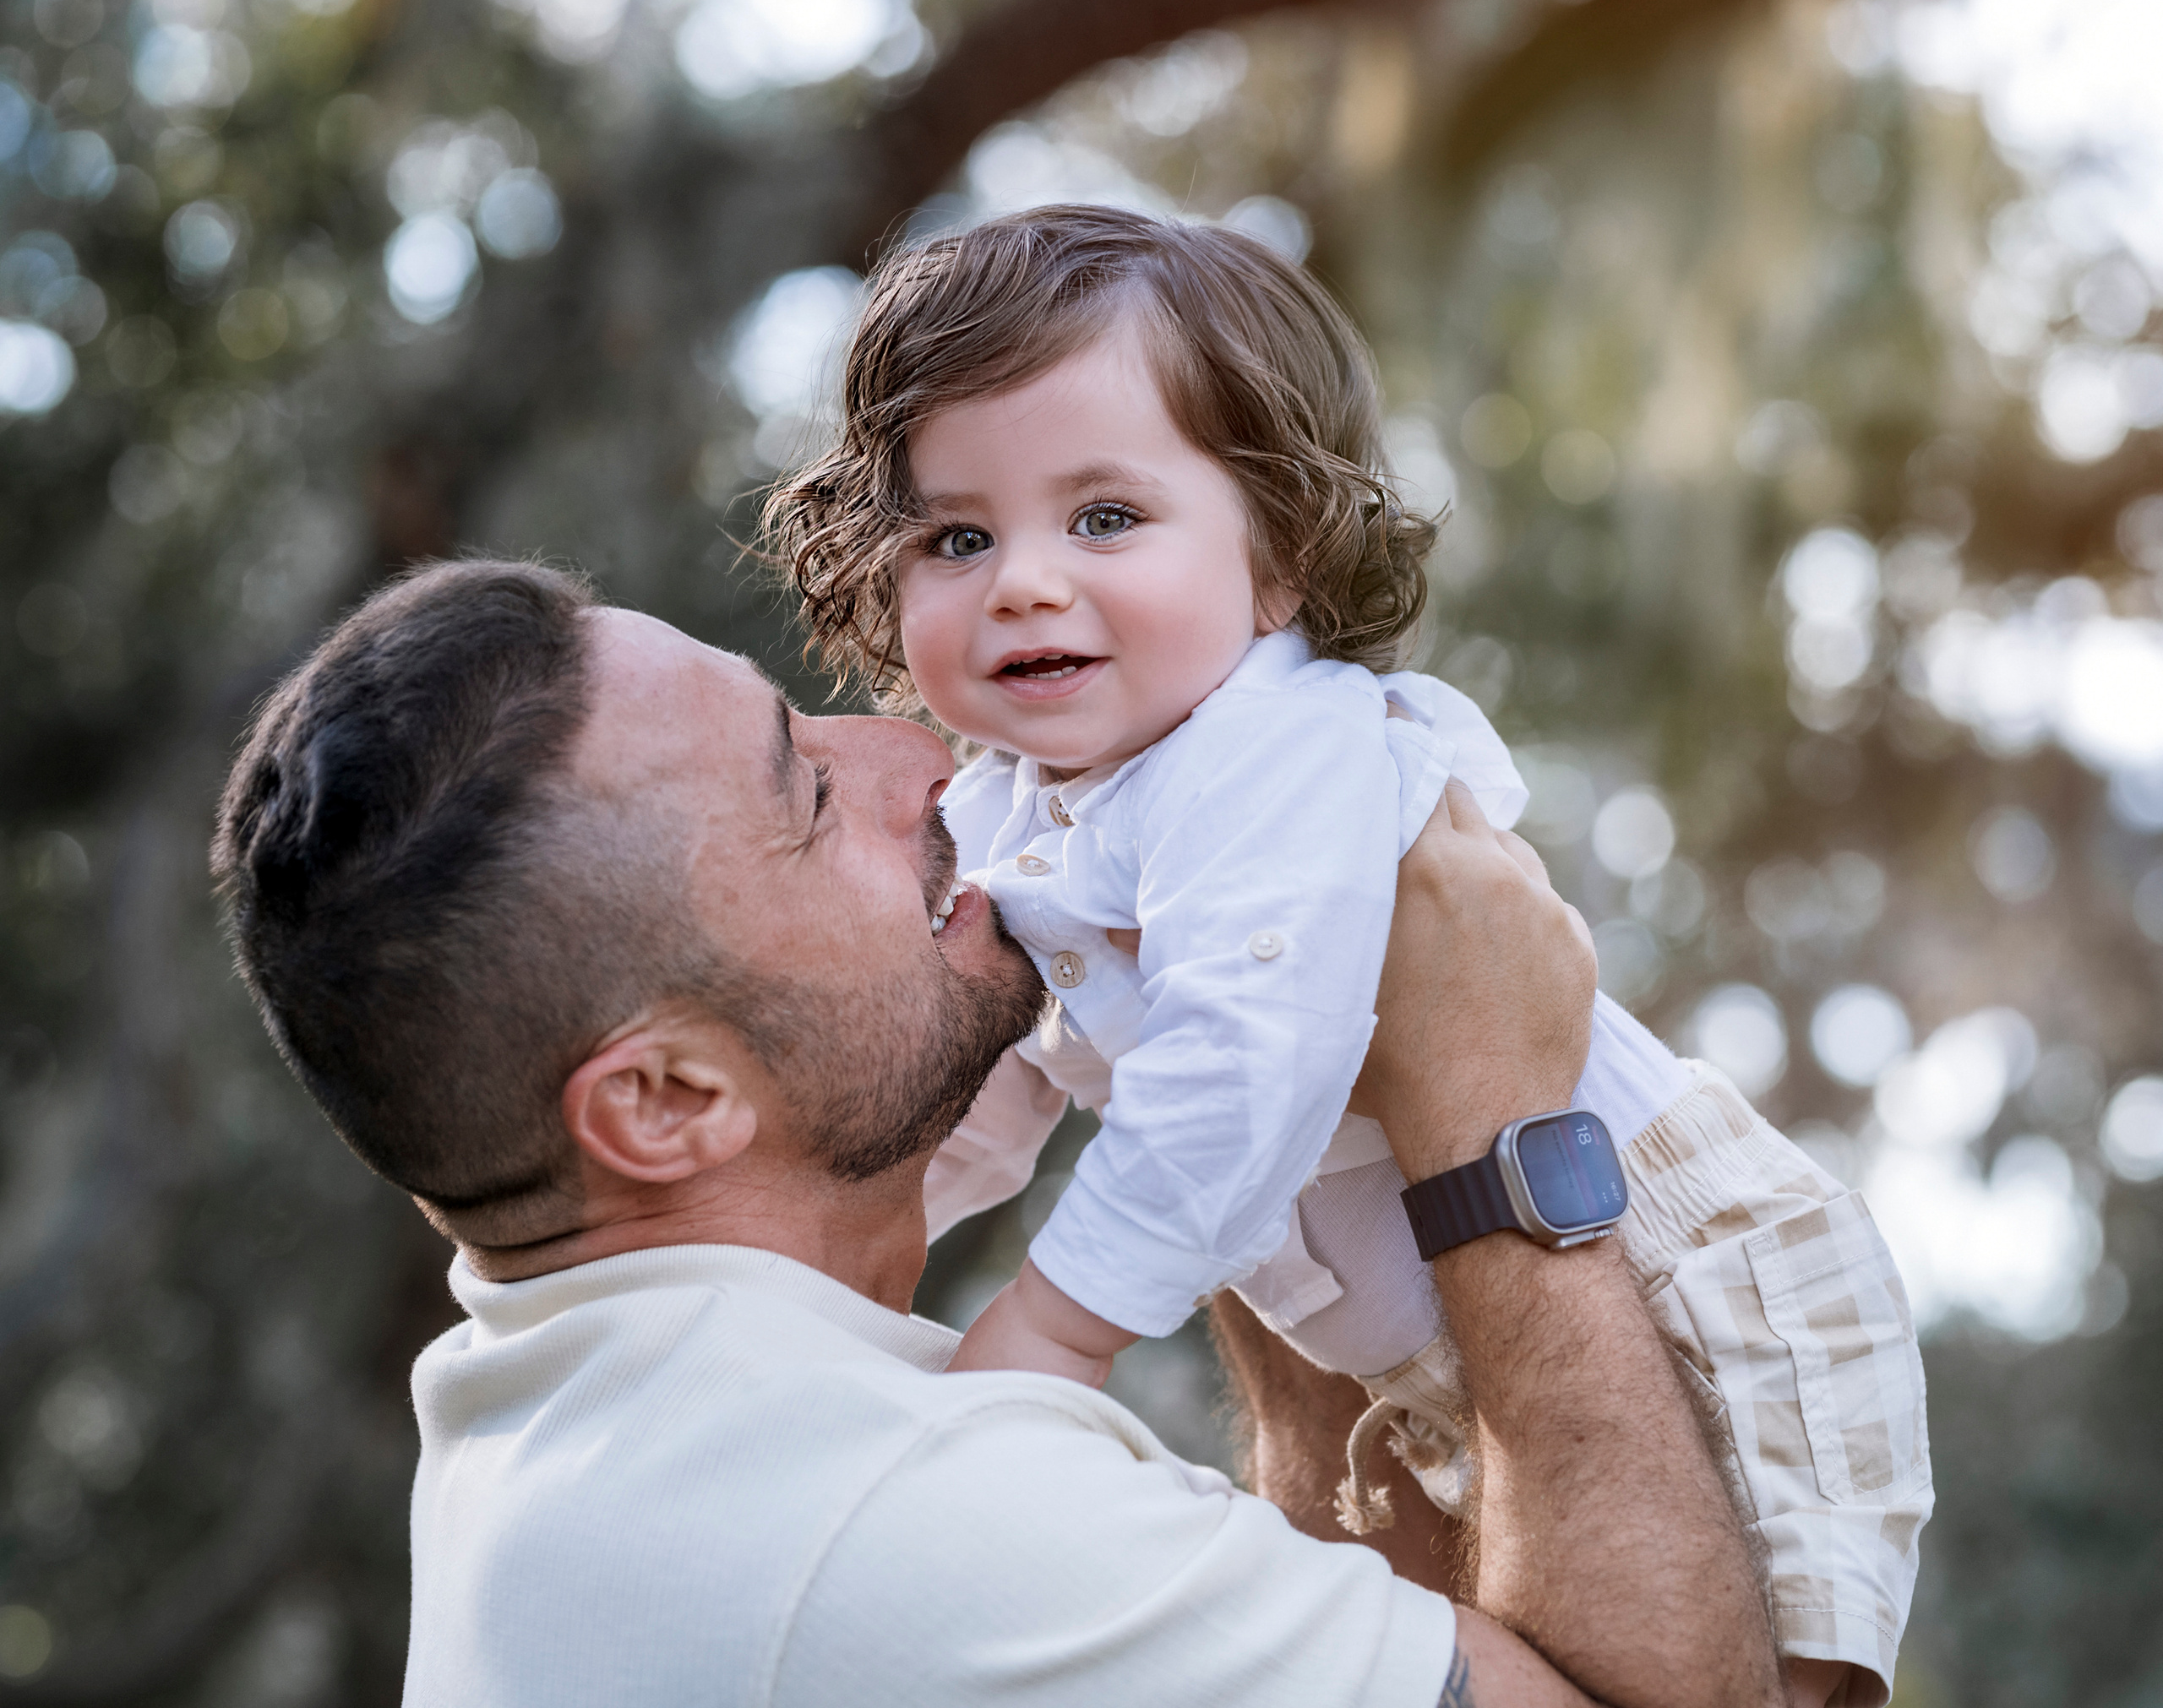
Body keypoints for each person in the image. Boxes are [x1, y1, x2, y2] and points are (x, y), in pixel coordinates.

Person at [212, 558, 1782, 1707]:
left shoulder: (592, 1436)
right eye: (809, 795)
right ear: (665, 1103)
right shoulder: (888, 1527)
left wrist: (1250, 1082)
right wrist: (1490, 1120)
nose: (919, 759)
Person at [762, 204, 1929, 1707]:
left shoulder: (1273, 753)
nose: (1023, 581)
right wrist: (840, 1255)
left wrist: (1049, 1332)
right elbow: (990, 1082)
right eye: (957, 536)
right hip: (1441, 1347)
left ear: (1280, 562)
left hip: (1680, 1272)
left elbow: (1248, 1062)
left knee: (1741, 1683)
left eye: (1105, 518)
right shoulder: (1009, 809)